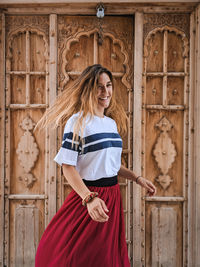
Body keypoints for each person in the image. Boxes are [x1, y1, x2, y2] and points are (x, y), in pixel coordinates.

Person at [35, 64, 156, 267]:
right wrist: (89, 199)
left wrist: (137, 178)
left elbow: (112, 165)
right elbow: (68, 166)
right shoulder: (77, 122)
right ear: (88, 89)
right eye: (99, 87)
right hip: (89, 196)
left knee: (105, 258)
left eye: (108, 85)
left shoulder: (110, 124)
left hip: (112, 197)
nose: (105, 92)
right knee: (67, 254)